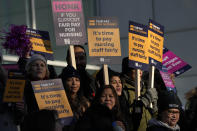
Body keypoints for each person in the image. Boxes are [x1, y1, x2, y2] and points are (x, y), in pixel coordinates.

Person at [121, 57, 158, 131]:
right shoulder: (122, 89)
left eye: (141, 69)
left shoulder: (146, 88)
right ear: (127, 71)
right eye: (136, 69)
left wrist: (155, 108)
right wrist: (143, 102)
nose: (140, 72)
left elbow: (154, 116)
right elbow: (125, 115)